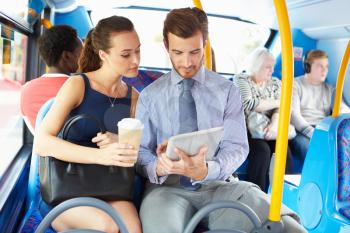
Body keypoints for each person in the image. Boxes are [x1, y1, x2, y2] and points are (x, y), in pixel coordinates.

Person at [136, 7, 305, 233]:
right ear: (166, 46)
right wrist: (157, 165)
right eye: (178, 52)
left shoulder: (227, 91)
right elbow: (140, 154)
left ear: (204, 44)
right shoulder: (149, 96)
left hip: (220, 185)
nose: (186, 62)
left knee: (290, 229)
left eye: (194, 52)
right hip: (166, 189)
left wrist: (206, 170)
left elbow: (236, 147)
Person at [34, 16, 141, 233]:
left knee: (131, 228)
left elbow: (139, 151)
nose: (136, 60)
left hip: (111, 187)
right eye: (126, 54)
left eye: (138, 51)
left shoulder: (134, 98)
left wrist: (122, 141)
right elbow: (42, 142)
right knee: (107, 226)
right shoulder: (77, 85)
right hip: (66, 188)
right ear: (103, 55)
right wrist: (101, 156)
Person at [233, 48, 294, 191]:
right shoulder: (241, 79)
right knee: (262, 152)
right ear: (256, 66)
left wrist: (274, 126)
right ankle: (255, 193)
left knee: (283, 150)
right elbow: (248, 103)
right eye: (268, 67)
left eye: (272, 67)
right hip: (247, 129)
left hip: (270, 127)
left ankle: (284, 195)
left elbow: (285, 108)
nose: (272, 71)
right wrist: (279, 102)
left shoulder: (275, 82)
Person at [20, 25, 82, 133]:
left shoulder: (25, 90)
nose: (84, 57)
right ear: (66, 56)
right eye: (81, 53)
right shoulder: (82, 87)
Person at [291, 49, 350, 161]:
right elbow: (294, 116)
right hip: (301, 132)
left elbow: (341, 107)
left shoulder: (330, 89)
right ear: (308, 67)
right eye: (320, 66)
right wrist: (314, 133)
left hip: (323, 130)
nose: (325, 70)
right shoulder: (295, 85)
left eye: (327, 67)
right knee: (315, 151)